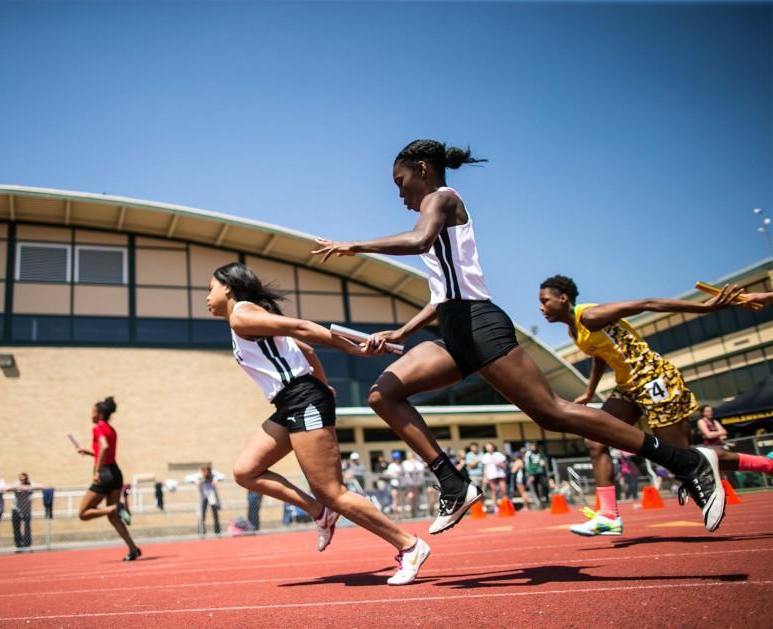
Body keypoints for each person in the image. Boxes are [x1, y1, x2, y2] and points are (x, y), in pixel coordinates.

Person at [312, 138, 729, 534]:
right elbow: (442, 296)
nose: (400, 194)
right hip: (456, 328)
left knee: (551, 412)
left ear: (422, 170)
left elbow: (420, 240)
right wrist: (400, 332)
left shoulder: (443, 198)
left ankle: (687, 463)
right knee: (383, 394)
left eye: (400, 182)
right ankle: (454, 485)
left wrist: (355, 246)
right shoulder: (434, 220)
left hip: (479, 323)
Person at [207, 262, 429, 585]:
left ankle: (410, 546)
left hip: (300, 397)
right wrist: (324, 385)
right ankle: (318, 512)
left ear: (228, 287)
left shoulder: (241, 314)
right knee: (246, 470)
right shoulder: (244, 317)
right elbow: (306, 349)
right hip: (290, 401)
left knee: (333, 492)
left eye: (210, 288)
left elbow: (302, 328)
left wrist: (352, 349)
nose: (207, 297)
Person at [538, 274, 773, 535]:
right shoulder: (575, 331)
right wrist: (589, 391)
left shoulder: (590, 315)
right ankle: (607, 516)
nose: (541, 307)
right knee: (595, 439)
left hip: (653, 379)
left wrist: (705, 308)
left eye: (545, 301)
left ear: (563, 298)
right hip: (629, 388)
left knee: (682, 458)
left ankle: (768, 466)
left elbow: (648, 303)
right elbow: (599, 356)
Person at [75, 396, 142, 561]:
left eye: (92, 411)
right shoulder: (111, 429)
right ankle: (133, 548)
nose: (90, 415)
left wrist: (96, 471)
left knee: (83, 513)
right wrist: (90, 452)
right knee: (113, 518)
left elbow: (104, 447)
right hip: (115, 473)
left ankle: (114, 508)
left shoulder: (98, 428)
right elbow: (105, 452)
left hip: (105, 474)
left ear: (99, 413)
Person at [184, 465, 225, 536]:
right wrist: (195, 481)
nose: (205, 473)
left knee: (215, 514)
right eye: (204, 471)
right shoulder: (199, 475)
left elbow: (223, 476)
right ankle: (201, 531)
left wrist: (216, 479)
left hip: (212, 497)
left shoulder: (213, 474)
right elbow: (187, 478)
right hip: (203, 497)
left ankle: (217, 531)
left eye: (207, 471)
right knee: (202, 514)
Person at [7, 472, 42, 551]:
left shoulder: (30, 483)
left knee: (27, 528)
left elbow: (40, 486)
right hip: (16, 509)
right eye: (21, 479)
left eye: (24, 479)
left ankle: (27, 545)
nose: (22, 480)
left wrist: (27, 487)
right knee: (16, 528)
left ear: (27, 479)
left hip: (26, 510)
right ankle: (19, 546)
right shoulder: (16, 483)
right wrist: (17, 488)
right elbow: (8, 488)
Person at [480, 442, 507, 509]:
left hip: (500, 474)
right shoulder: (485, 456)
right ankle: (495, 506)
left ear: (493, 447)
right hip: (491, 475)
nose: (489, 448)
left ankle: (506, 505)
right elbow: (485, 468)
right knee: (494, 490)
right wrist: (485, 477)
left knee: (503, 490)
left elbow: (504, 466)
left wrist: (499, 464)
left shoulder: (498, 454)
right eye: (487, 447)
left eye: (490, 447)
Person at [524, 443, 550, 507]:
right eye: (532, 446)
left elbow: (545, 459)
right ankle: (539, 500)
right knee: (535, 486)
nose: (533, 447)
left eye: (534, 446)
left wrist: (544, 462)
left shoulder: (540, 453)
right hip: (533, 473)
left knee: (544, 484)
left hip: (540, 471)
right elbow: (527, 465)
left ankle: (546, 497)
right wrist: (530, 474)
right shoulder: (528, 454)